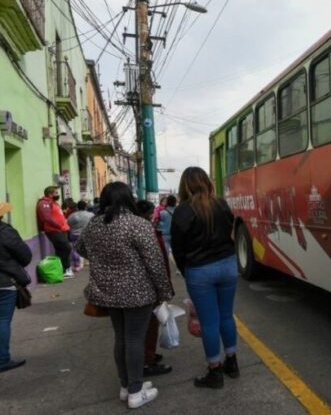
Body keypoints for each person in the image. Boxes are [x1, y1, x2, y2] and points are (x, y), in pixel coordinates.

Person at [77, 182, 173, 409]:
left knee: (121, 339)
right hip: (137, 294)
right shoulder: (137, 224)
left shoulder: (94, 225)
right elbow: (155, 262)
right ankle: (136, 391)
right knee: (134, 341)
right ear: (128, 199)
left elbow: (80, 249)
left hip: (107, 294)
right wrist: (164, 291)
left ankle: (126, 386)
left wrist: (103, 259)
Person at [171, 167, 239, 389]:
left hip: (200, 271)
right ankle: (232, 363)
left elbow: (178, 249)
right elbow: (232, 231)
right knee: (227, 316)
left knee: (209, 322)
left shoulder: (182, 211)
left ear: (185, 186)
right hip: (228, 265)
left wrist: (186, 270)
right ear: (206, 182)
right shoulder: (220, 204)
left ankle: (215, 371)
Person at [135, 200, 174, 377]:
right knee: (148, 325)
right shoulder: (145, 231)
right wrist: (165, 289)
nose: (153, 216)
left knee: (140, 328)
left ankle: (146, 357)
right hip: (146, 287)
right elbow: (157, 264)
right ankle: (146, 362)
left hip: (133, 288)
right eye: (151, 213)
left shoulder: (132, 227)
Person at [0, 201, 32, 373]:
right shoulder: (6, 232)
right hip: (4, 283)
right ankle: (2, 359)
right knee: (2, 321)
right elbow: (25, 256)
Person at [36, 186, 73, 278]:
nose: (58, 194)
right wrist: (59, 226)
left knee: (61, 250)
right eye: (56, 193)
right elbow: (46, 218)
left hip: (62, 230)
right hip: (55, 231)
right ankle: (66, 268)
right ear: (50, 194)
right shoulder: (44, 203)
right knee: (66, 248)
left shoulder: (54, 203)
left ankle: (63, 269)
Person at [67, 201, 94, 272]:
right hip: (87, 234)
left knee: (75, 249)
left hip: (75, 234)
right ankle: (88, 261)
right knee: (88, 248)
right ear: (86, 207)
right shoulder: (91, 215)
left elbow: (68, 224)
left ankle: (77, 265)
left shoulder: (72, 215)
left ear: (77, 207)